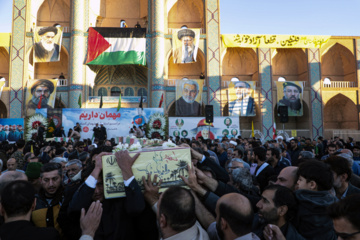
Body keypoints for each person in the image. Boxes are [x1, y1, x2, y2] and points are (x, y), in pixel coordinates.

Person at [295, 160, 337, 240]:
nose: (297, 182)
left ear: (312, 184)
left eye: (300, 179)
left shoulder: (298, 201)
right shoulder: (335, 203)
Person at [32, 163, 64, 234]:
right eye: (46, 180)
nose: (51, 184)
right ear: (40, 180)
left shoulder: (67, 198)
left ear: (62, 177)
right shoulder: (34, 201)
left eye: (55, 179)